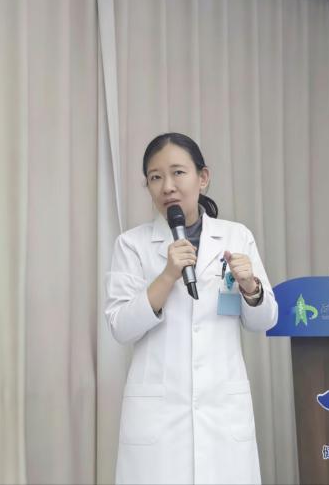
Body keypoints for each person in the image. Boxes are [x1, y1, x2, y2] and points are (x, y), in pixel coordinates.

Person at [105, 132, 278, 485]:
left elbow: (265, 319)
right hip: (159, 420)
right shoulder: (132, 245)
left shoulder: (236, 237)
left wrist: (250, 286)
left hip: (222, 412)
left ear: (203, 177)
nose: (167, 186)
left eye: (178, 173)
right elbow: (121, 326)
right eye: (155, 177)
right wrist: (168, 275)